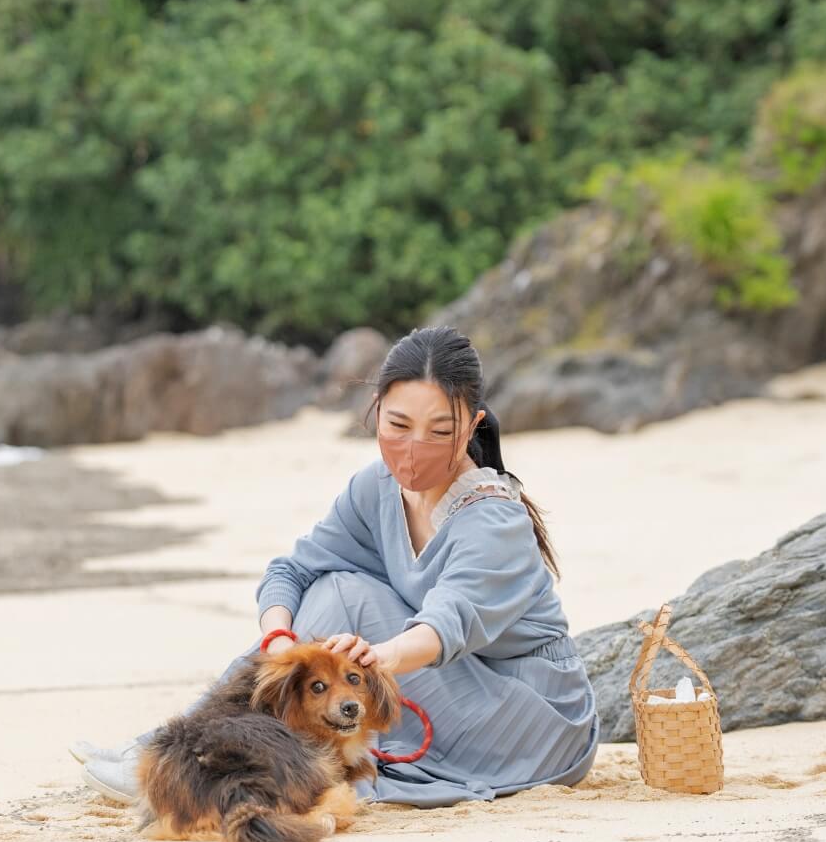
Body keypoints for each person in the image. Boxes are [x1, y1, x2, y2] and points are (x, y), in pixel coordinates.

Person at [72, 324, 599, 807]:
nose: (414, 449)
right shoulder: (375, 488)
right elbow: (292, 572)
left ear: (472, 427)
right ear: (374, 410)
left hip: (531, 719)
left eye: (440, 430)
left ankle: (193, 753)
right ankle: (189, 744)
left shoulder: (492, 521)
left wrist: (377, 656)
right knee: (324, 594)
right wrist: (278, 642)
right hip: (454, 682)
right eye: (398, 424)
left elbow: (446, 624)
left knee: (344, 597)